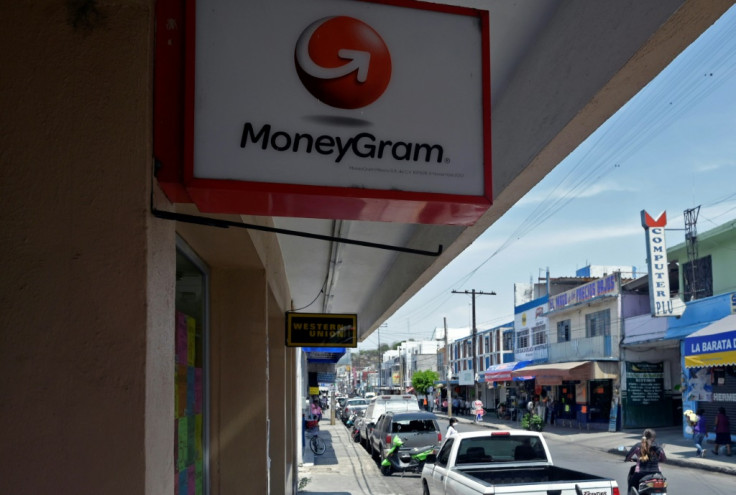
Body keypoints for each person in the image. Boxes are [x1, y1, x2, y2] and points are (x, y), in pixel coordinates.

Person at [625, 428, 666, 494]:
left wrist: (629, 459)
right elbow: (663, 459)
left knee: (631, 485)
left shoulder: (638, 446)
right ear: (654, 437)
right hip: (656, 473)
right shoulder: (658, 447)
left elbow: (628, 456)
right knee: (662, 485)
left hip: (641, 473)